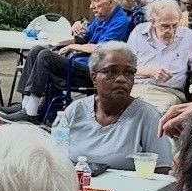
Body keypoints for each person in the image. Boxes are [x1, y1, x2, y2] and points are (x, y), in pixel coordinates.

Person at [8, 0, 134, 120]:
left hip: (95, 71)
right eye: (91, 1)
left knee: (45, 57)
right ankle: (25, 104)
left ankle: (30, 113)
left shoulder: (120, 21)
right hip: (80, 62)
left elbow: (103, 49)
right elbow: (83, 37)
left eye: (95, 1)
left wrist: (73, 46)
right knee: (36, 50)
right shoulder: (101, 17)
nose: (91, 6)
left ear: (110, 1)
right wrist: (75, 29)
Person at [54, 42, 174, 170]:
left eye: (129, 72)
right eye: (111, 72)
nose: (121, 79)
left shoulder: (148, 117)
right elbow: (55, 159)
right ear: (94, 77)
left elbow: (162, 170)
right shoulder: (76, 110)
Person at [128, 0, 192, 112]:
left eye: (175, 25)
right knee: (121, 110)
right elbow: (125, 67)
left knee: (156, 113)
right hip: (136, 89)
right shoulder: (138, 32)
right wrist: (150, 71)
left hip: (170, 93)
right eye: (165, 26)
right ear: (152, 22)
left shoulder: (188, 36)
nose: (170, 31)